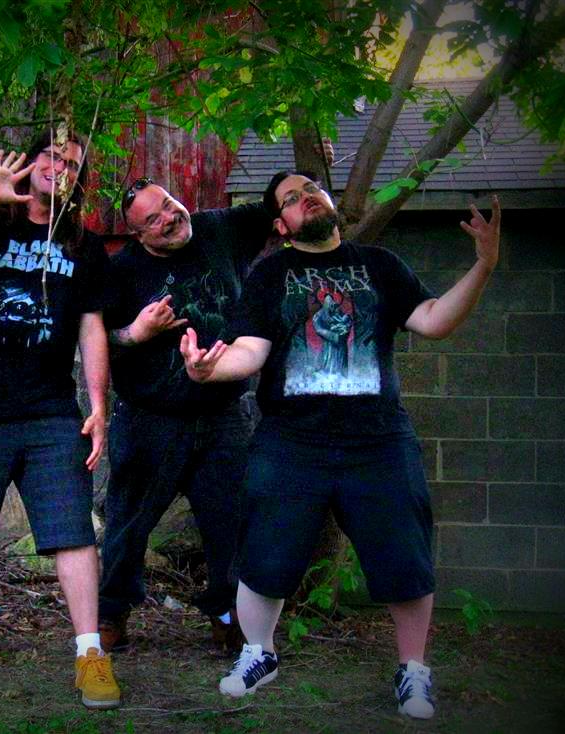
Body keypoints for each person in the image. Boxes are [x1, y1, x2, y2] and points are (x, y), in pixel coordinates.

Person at [180, 171, 501, 720]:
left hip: (378, 441)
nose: (306, 197)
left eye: (311, 189)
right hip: (291, 440)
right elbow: (250, 351)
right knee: (264, 553)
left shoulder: (380, 265)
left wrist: (484, 265)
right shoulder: (271, 274)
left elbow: (433, 321)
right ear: (282, 225)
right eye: (291, 199)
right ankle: (259, 654)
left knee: (404, 557)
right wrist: (208, 369)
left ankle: (413, 669)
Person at [0, 129, 120, 710]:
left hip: (50, 413)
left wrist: (99, 406)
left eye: (72, 163)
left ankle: (90, 653)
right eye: (52, 155)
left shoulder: (83, 246)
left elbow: (91, 328)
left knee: (73, 530)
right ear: (31, 162)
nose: (60, 167)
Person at [98, 178, 278, 654]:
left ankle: (229, 617)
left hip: (225, 414)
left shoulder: (222, 229)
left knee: (231, 524)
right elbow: (97, 341)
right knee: (127, 525)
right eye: (153, 219)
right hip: (149, 419)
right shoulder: (121, 271)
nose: (169, 218)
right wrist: (136, 332)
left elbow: (278, 204)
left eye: (169, 204)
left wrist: (306, 184)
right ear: (137, 234)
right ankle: (111, 614)